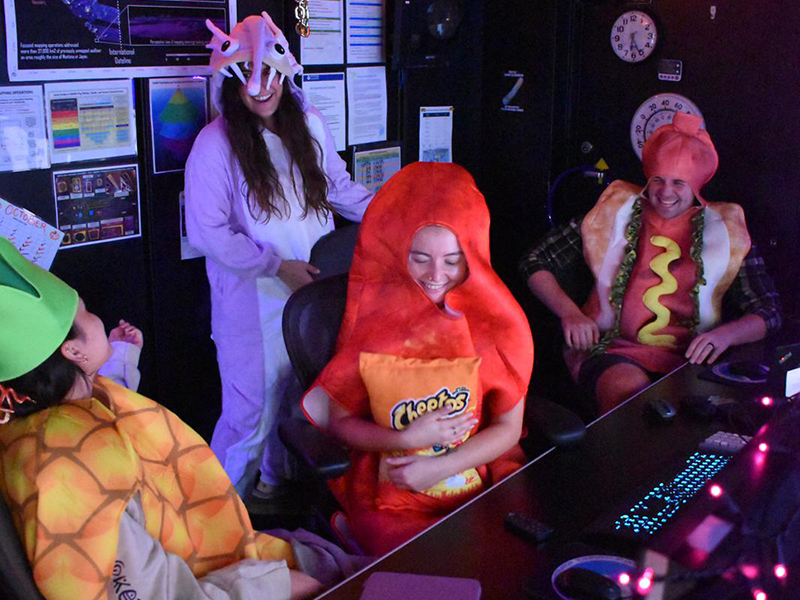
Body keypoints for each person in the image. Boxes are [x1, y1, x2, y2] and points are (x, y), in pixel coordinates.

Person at [0, 236, 373, 600]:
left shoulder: (51, 406)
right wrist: (275, 585)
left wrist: (122, 358)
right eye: (87, 312)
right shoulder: (66, 473)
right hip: (219, 578)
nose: (97, 317)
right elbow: (153, 590)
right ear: (73, 351)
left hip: (212, 543)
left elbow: (109, 408)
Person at [184, 12, 373, 501]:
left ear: (283, 72)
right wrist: (274, 266)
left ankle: (273, 489)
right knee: (250, 413)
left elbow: (336, 187)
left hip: (313, 288)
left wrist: (394, 208)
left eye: (269, 74)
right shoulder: (215, 145)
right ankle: (215, 520)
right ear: (232, 84)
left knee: (302, 397)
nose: (260, 88)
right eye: (248, 79)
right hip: (253, 301)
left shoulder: (308, 122)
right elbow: (207, 233)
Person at [301, 162, 534, 556]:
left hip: (478, 469)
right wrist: (405, 439)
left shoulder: (500, 324)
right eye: (420, 257)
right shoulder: (379, 320)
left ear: (473, 255)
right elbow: (340, 422)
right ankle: (356, 533)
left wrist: (443, 466)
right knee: (420, 568)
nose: (435, 275)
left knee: (503, 559)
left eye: (452, 259)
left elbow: (509, 427)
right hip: (388, 480)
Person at [520, 113, 781, 415]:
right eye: (658, 180)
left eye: (679, 183)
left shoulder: (725, 232)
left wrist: (725, 335)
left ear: (695, 187)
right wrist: (570, 314)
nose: (665, 192)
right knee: (637, 403)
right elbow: (534, 261)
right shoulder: (616, 214)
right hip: (611, 350)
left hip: (692, 361)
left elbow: (769, 311)